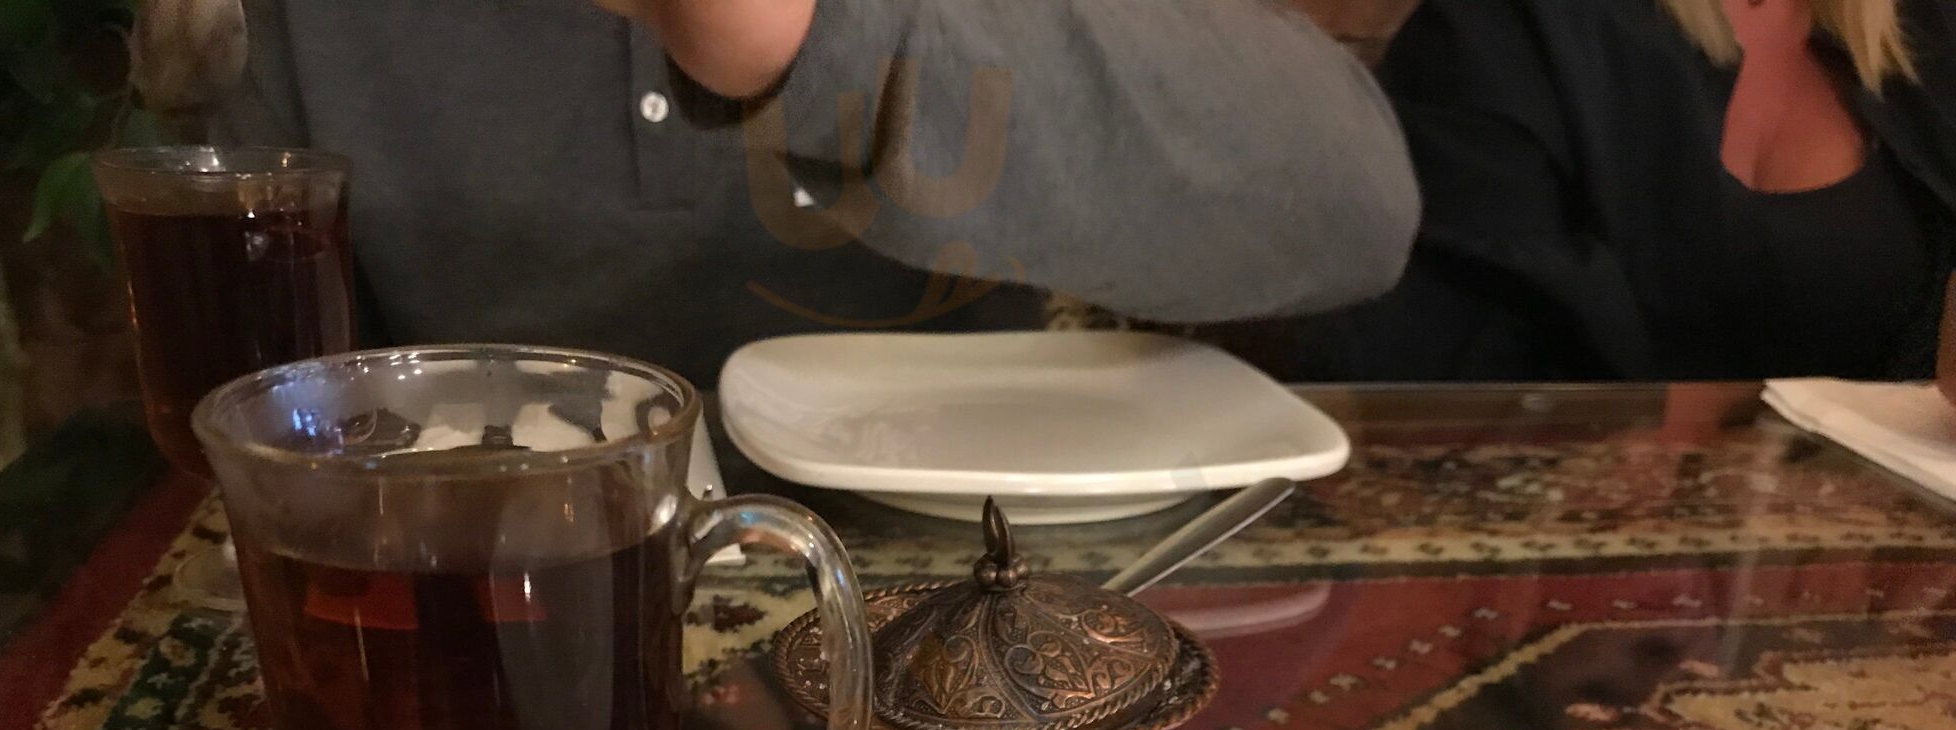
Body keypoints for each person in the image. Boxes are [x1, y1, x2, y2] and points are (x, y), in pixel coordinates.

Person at [211, 0, 1422, 384]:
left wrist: (814, 31)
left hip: (968, 635)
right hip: (504, 643)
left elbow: (1352, 208)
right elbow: (260, 430)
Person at [1249, 0, 1956, 388]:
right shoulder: (1510, 28)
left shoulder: (1927, 37)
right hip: (1567, 560)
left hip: (1870, 567)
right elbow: (1454, 371)